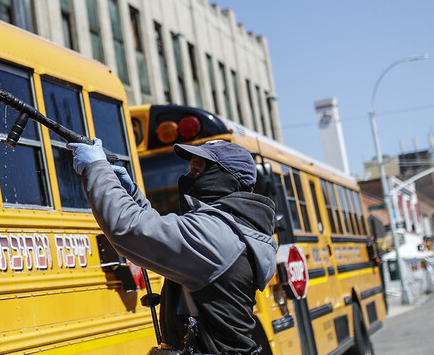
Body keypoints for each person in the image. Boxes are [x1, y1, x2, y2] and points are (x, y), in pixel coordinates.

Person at [68, 138, 277, 355]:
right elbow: (159, 232)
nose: (190, 174)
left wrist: (96, 168)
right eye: (191, 167)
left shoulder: (217, 235)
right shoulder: (233, 231)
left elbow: (128, 229)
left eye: (200, 168)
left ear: (227, 180)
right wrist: (133, 196)